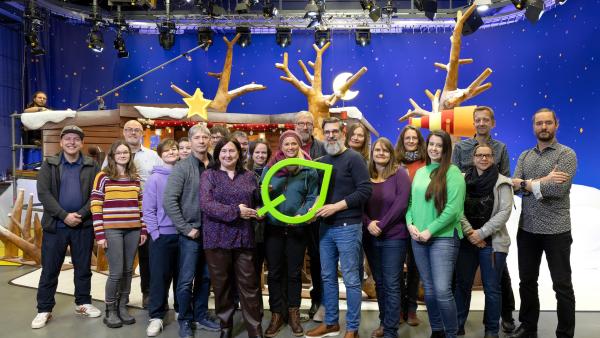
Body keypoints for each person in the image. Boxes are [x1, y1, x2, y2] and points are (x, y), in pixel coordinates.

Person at [508, 108, 577, 338]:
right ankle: (528, 326)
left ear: (556, 125)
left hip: (556, 230)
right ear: (533, 126)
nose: (544, 127)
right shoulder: (525, 156)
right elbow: (513, 186)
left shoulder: (566, 155)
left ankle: (565, 333)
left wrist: (528, 184)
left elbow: (558, 189)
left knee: (562, 286)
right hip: (527, 230)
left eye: (548, 122)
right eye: (539, 123)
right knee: (527, 281)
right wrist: (540, 182)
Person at [306, 117, 372, 338]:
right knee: (327, 277)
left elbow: (365, 191)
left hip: (348, 227)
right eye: (327, 132)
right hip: (325, 228)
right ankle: (331, 322)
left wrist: (335, 207)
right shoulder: (322, 161)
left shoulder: (354, 159)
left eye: (335, 131)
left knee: (352, 280)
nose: (331, 135)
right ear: (323, 134)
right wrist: (310, 212)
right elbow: (318, 195)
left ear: (343, 134)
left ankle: (352, 328)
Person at [451, 106, 516, 332]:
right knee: (462, 284)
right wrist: (470, 233)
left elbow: (505, 200)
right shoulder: (460, 148)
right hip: (466, 237)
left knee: (495, 285)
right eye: (477, 120)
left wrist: (481, 234)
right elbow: (454, 195)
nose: (481, 123)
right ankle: (456, 324)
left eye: (485, 120)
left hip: (492, 239)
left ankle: (495, 327)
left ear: (492, 122)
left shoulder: (502, 154)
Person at [31, 125, 101, 329]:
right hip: (56, 226)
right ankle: (44, 309)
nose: (72, 142)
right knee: (50, 269)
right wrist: (64, 215)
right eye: (68, 138)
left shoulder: (92, 165)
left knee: (83, 268)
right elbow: (44, 194)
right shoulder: (49, 164)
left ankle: (83, 303)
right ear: (61, 142)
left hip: (83, 225)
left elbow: (96, 194)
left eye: (76, 139)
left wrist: (80, 214)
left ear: (81, 143)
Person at [200, 137, 263, 338]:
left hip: (244, 237)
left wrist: (260, 211)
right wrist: (236, 211)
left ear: (239, 154)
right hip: (216, 238)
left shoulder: (250, 176)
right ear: (218, 154)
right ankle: (225, 328)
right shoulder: (209, 175)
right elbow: (206, 204)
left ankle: (255, 329)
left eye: (232, 151)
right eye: (224, 151)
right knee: (222, 286)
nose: (228, 155)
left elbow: (258, 202)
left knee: (250, 286)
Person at [406, 129, 466, 338]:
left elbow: (454, 210)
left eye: (439, 145)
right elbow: (411, 203)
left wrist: (429, 231)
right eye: (431, 144)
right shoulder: (421, 172)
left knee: (442, 291)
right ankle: (437, 330)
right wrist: (410, 224)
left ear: (446, 148)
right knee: (429, 290)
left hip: (444, 238)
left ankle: (451, 333)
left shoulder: (453, 173)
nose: (434, 148)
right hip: (418, 238)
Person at [261, 131, 319, 338]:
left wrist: (302, 214)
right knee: (275, 273)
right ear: (281, 146)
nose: (290, 147)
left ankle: (294, 313)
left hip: (297, 228)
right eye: (287, 144)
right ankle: (277, 314)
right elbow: (262, 193)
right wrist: (265, 191)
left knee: (294, 273)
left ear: (299, 146)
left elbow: (313, 196)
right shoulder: (270, 168)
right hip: (274, 227)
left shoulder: (308, 169)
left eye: (294, 143)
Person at [163, 124, 219, 338]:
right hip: (191, 234)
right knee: (186, 280)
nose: (202, 140)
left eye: (206, 137)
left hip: (213, 232)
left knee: (206, 278)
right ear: (191, 140)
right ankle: (185, 319)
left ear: (210, 140)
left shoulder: (216, 165)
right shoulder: (182, 167)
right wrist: (186, 229)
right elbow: (169, 200)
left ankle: (201, 315)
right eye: (197, 137)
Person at [102, 119, 162, 308]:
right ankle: (120, 300)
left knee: (147, 258)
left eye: (137, 130)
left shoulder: (153, 156)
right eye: (129, 129)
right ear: (124, 132)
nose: (133, 133)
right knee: (120, 266)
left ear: (142, 133)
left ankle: (148, 294)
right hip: (119, 216)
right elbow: (102, 187)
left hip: (146, 214)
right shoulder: (112, 156)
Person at [91, 140, 148, 328]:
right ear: (113, 156)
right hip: (112, 229)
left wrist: (143, 229)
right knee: (116, 272)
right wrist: (100, 233)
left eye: (126, 152)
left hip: (133, 229)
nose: (123, 155)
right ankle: (111, 310)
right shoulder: (103, 177)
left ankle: (123, 306)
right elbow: (96, 205)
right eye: (119, 152)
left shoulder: (135, 177)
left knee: (128, 271)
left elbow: (141, 205)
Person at [363, 137, 411, 338]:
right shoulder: (365, 176)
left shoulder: (400, 174)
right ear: (372, 154)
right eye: (377, 150)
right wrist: (368, 223)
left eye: (385, 151)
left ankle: (391, 330)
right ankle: (384, 322)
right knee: (380, 283)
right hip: (370, 237)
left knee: (392, 283)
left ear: (391, 154)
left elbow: (401, 204)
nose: (381, 153)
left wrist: (381, 225)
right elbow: (358, 202)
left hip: (394, 237)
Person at [143, 138, 181, 336]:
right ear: (160, 154)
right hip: (162, 236)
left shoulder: (184, 174)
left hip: (183, 235)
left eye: (174, 149)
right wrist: (155, 234)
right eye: (166, 150)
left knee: (182, 278)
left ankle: (181, 312)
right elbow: (148, 209)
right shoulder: (155, 178)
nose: (171, 152)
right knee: (159, 278)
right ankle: (156, 316)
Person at [293, 111, 326, 319]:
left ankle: (318, 301)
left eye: (308, 124)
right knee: (294, 260)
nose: (305, 127)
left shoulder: (322, 148)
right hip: (293, 214)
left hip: (316, 215)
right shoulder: (288, 146)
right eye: (301, 123)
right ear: (294, 126)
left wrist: (317, 207)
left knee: (317, 259)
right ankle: (292, 306)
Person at [394, 125, 426, 326]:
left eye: (415, 137)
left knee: (415, 268)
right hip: (397, 221)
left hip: (418, 221)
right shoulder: (395, 162)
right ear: (402, 140)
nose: (411, 141)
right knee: (396, 268)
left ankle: (412, 309)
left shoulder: (426, 163)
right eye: (408, 138)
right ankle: (398, 309)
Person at [246, 140, 273, 283]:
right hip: (250, 227)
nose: (260, 156)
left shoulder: (275, 171)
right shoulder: (244, 172)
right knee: (252, 269)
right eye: (257, 152)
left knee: (273, 267)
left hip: (270, 225)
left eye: (264, 153)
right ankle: (254, 305)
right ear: (251, 154)